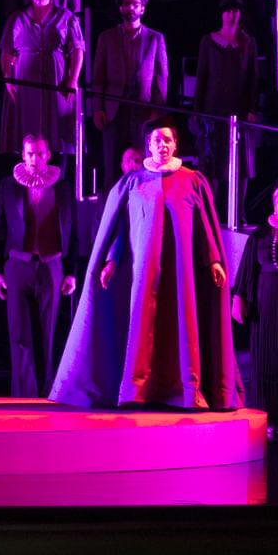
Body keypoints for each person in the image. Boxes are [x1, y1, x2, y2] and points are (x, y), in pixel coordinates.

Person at [51, 124, 241, 410]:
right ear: (148, 146)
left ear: (175, 145)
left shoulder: (193, 180)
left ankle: (188, 389)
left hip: (182, 272)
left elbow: (204, 226)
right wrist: (112, 260)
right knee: (142, 320)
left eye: (167, 139)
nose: (162, 145)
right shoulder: (133, 182)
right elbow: (121, 226)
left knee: (182, 319)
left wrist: (214, 258)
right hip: (144, 269)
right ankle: (135, 390)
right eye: (156, 140)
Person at [0, 136, 79, 397]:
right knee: (19, 334)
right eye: (30, 154)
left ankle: (47, 393)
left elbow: (72, 232)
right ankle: (22, 395)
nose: (34, 159)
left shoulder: (62, 188)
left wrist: (71, 271)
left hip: (51, 264)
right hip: (18, 264)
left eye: (39, 154)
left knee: (47, 334)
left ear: (48, 154)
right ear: (23, 155)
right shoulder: (8, 186)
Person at [231, 181, 278, 436]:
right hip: (266, 305)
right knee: (267, 361)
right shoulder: (261, 233)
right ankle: (268, 420)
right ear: (274, 203)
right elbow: (246, 269)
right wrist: (238, 297)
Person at [0, 0, 85, 175]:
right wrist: (7, 78)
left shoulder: (66, 17)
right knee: (26, 127)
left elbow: (77, 50)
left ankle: (57, 179)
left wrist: (73, 79)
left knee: (57, 129)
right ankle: (25, 178)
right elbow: (6, 51)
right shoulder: (17, 18)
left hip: (56, 80)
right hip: (24, 81)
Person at [91, 0, 169, 169]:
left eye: (136, 4)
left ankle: (143, 197)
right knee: (112, 162)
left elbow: (161, 76)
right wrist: (97, 109)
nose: (131, 8)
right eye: (127, 4)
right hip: (113, 109)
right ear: (121, 9)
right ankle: (113, 197)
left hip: (143, 109)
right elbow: (98, 75)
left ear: (142, 9)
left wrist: (158, 110)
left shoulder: (155, 38)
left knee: (144, 162)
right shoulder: (106, 37)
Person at [192, 0, 265, 184]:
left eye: (235, 10)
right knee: (212, 165)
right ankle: (210, 210)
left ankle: (238, 212)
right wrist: (197, 112)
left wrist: (252, 109)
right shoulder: (208, 42)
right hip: (213, 111)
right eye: (227, 10)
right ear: (221, 14)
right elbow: (202, 78)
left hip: (239, 111)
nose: (231, 15)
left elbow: (253, 79)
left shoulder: (248, 43)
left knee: (241, 166)